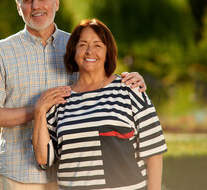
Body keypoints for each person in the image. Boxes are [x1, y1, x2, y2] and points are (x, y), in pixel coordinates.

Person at [0, 0, 147, 190]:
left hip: (73, 175)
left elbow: (103, 84)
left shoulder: (78, 46)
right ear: (19, 7)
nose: (36, 5)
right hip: (19, 176)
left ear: (56, 2)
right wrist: (39, 110)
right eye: (27, 0)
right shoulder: (0, 53)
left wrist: (131, 79)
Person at [33, 19, 167, 190]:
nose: (90, 51)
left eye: (98, 45)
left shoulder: (130, 89)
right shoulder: (60, 101)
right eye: (83, 45)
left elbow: (154, 151)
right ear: (73, 51)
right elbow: (44, 159)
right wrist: (39, 111)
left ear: (107, 52)